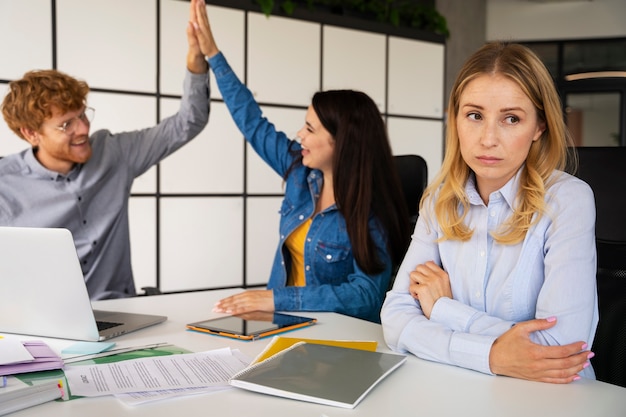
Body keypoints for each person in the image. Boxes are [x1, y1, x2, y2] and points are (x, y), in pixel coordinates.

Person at [381, 42, 598, 383]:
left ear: (539, 126)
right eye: (475, 115)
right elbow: (395, 318)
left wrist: (443, 310)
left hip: (551, 397)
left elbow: (559, 347)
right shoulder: (440, 200)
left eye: (511, 118)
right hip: (459, 387)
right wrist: (494, 355)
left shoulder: (567, 200)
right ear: (456, 120)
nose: (488, 138)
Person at [189, 0, 410, 323]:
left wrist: (277, 298)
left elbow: (366, 295)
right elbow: (251, 120)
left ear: (341, 142)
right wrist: (212, 54)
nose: (299, 136)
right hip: (279, 323)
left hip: (334, 341)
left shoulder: (369, 209)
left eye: (310, 129)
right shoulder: (299, 171)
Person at [0, 5, 211, 300]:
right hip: (44, 320)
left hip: (122, 311)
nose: (83, 129)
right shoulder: (4, 184)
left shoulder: (114, 152)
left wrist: (196, 61)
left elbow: (188, 123)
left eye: (83, 115)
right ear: (31, 133)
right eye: (66, 125)